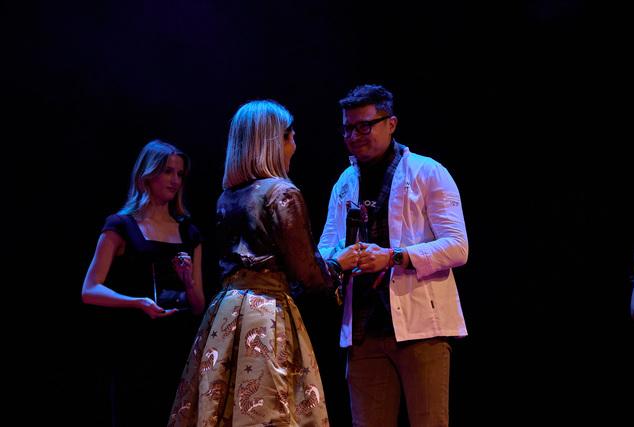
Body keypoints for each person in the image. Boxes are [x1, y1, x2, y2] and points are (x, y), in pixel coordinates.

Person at [168, 100, 353, 427]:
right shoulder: (281, 193)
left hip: (225, 313)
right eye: (290, 136)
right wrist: (339, 264)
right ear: (273, 141)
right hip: (264, 314)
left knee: (223, 409)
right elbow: (308, 274)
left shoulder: (227, 196)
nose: (294, 145)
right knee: (268, 409)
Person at [318, 84, 469, 427]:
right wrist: (340, 257)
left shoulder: (428, 172)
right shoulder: (345, 182)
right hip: (363, 334)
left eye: (364, 126)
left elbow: (457, 246)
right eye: (347, 128)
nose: (354, 136)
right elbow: (326, 247)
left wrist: (393, 257)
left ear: (391, 123)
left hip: (421, 330)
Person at [81, 140, 206, 427]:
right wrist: (137, 302)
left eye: (180, 174)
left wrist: (188, 283)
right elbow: (90, 289)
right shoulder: (121, 226)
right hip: (134, 348)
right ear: (147, 175)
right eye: (168, 172)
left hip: (177, 349)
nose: (175, 180)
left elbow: (198, 305)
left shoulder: (189, 232)